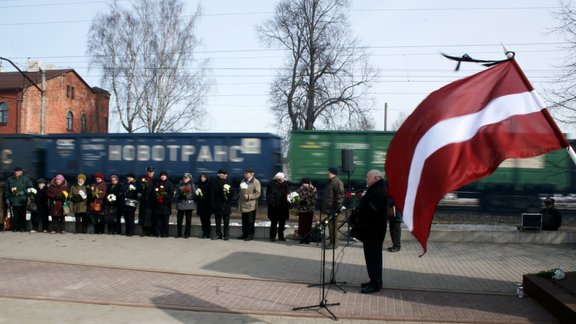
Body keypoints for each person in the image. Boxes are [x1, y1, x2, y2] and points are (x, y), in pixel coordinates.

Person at [350, 169, 388, 294]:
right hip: (371, 230)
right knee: (372, 257)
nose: (367, 179)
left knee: (374, 258)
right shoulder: (376, 189)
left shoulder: (380, 191)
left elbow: (372, 210)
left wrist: (359, 211)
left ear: (376, 178)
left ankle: (375, 283)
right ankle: (374, 280)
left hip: (374, 231)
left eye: (368, 177)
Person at [4, 167, 33, 232]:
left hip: (22, 200)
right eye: (16, 171)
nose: (17, 173)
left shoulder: (26, 179)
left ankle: (22, 227)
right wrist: (7, 198)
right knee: (15, 215)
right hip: (13, 200)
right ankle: (15, 227)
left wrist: (24, 192)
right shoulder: (9, 179)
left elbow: (30, 188)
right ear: (14, 172)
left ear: (21, 172)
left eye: (19, 171)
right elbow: (6, 190)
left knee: (22, 215)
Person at [322, 167, 345, 248]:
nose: (327, 173)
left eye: (328, 172)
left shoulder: (337, 182)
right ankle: (332, 242)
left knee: (333, 227)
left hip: (333, 208)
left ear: (332, 172)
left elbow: (340, 195)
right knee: (330, 226)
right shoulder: (330, 182)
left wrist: (338, 208)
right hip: (329, 208)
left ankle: (334, 244)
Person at [237, 168, 261, 241]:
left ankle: (250, 235)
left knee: (250, 221)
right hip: (243, 204)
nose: (244, 174)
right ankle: (244, 234)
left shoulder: (255, 182)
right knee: (244, 220)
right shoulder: (243, 181)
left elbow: (258, 193)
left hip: (251, 205)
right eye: (245, 173)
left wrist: (249, 196)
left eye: (246, 173)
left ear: (251, 174)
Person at [266, 172, 290, 241]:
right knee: (274, 223)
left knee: (282, 223)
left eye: (282, 179)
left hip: (283, 207)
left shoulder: (285, 184)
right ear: (278, 178)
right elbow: (269, 196)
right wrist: (272, 204)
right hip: (274, 208)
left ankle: (281, 236)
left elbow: (288, 193)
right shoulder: (271, 184)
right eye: (281, 179)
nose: (282, 180)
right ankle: (272, 236)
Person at [211, 169, 232, 240]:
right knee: (218, 221)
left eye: (226, 174)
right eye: (223, 174)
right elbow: (212, 194)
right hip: (218, 205)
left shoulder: (228, 182)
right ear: (220, 175)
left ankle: (226, 235)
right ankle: (218, 234)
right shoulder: (214, 182)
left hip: (226, 205)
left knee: (226, 221)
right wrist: (213, 204)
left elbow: (232, 193)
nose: (225, 175)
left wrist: (228, 193)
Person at [296, 177, 318, 244]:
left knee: (308, 224)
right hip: (302, 210)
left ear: (309, 183)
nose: (305, 185)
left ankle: (307, 238)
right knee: (302, 224)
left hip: (309, 209)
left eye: (306, 183)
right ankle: (303, 237)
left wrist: (307, 202)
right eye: (304, 183)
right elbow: (295, 198)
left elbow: (315, 199)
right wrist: (299, 201)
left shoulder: (313, 189)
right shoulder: (300, 189)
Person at [153, 171, 174, 238]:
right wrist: (157, 195)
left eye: (164, 175)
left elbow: (171, 194)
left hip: (166, 205)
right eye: (161, 175)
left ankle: (165, 234)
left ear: (166, 176)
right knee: (158, 220)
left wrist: (163, 196)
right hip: (158, 204)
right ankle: (158, 233)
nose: (162, 176)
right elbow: (154, 192)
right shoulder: (157, 183)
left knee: (165, 220)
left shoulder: (170, 184)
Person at [175, 173, 196, 238]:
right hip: (181, 204)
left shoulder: (192, 185)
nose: (184, 179)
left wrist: (186, 195)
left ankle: (187, 234)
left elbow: (194, 194)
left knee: (188, 220)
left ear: (189, 178)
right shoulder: (180, 185)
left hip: (188, 204)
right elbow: (176, 194)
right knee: (179, 220)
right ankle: (179, 233)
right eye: (184, 177)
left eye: (186, 178)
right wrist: (180, 196)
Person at [139, 166, 156, 237]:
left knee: (151, 216)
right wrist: (143, 188)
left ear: (153, 172)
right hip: (144, 200)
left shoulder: (155, 179)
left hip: (152, 200)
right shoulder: (143, 179)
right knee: (143, 215)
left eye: (151, 172)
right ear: (147, 172)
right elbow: (139, 188)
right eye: (149, 171)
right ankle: (144, 231)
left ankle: (150, 231)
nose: (150, 173)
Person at [196, 174, 212, 238]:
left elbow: (210, 195)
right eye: (201, 177)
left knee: (207, 219)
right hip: (201, 205)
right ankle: (204, 232)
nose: (202, 178)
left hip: (207, 205)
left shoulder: (209, 185)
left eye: (204, 177)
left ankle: (207, 233)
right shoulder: (200, 185)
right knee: (202, 219)